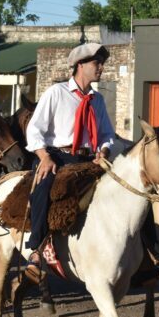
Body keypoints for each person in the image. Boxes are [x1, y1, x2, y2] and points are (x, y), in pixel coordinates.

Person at [23, 43, 115, 280]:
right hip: (58, 156)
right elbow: (35, 130)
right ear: (80, 65)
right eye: (97, 63)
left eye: (101, 63)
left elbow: (106, 134)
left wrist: (103, 150)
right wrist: (44, 157)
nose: (101, 68)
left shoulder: (98, 100)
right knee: (44, 187)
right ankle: (37, 250)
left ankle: (146, 257)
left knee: (127, 189)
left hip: (89, 159)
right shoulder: (56, 93)